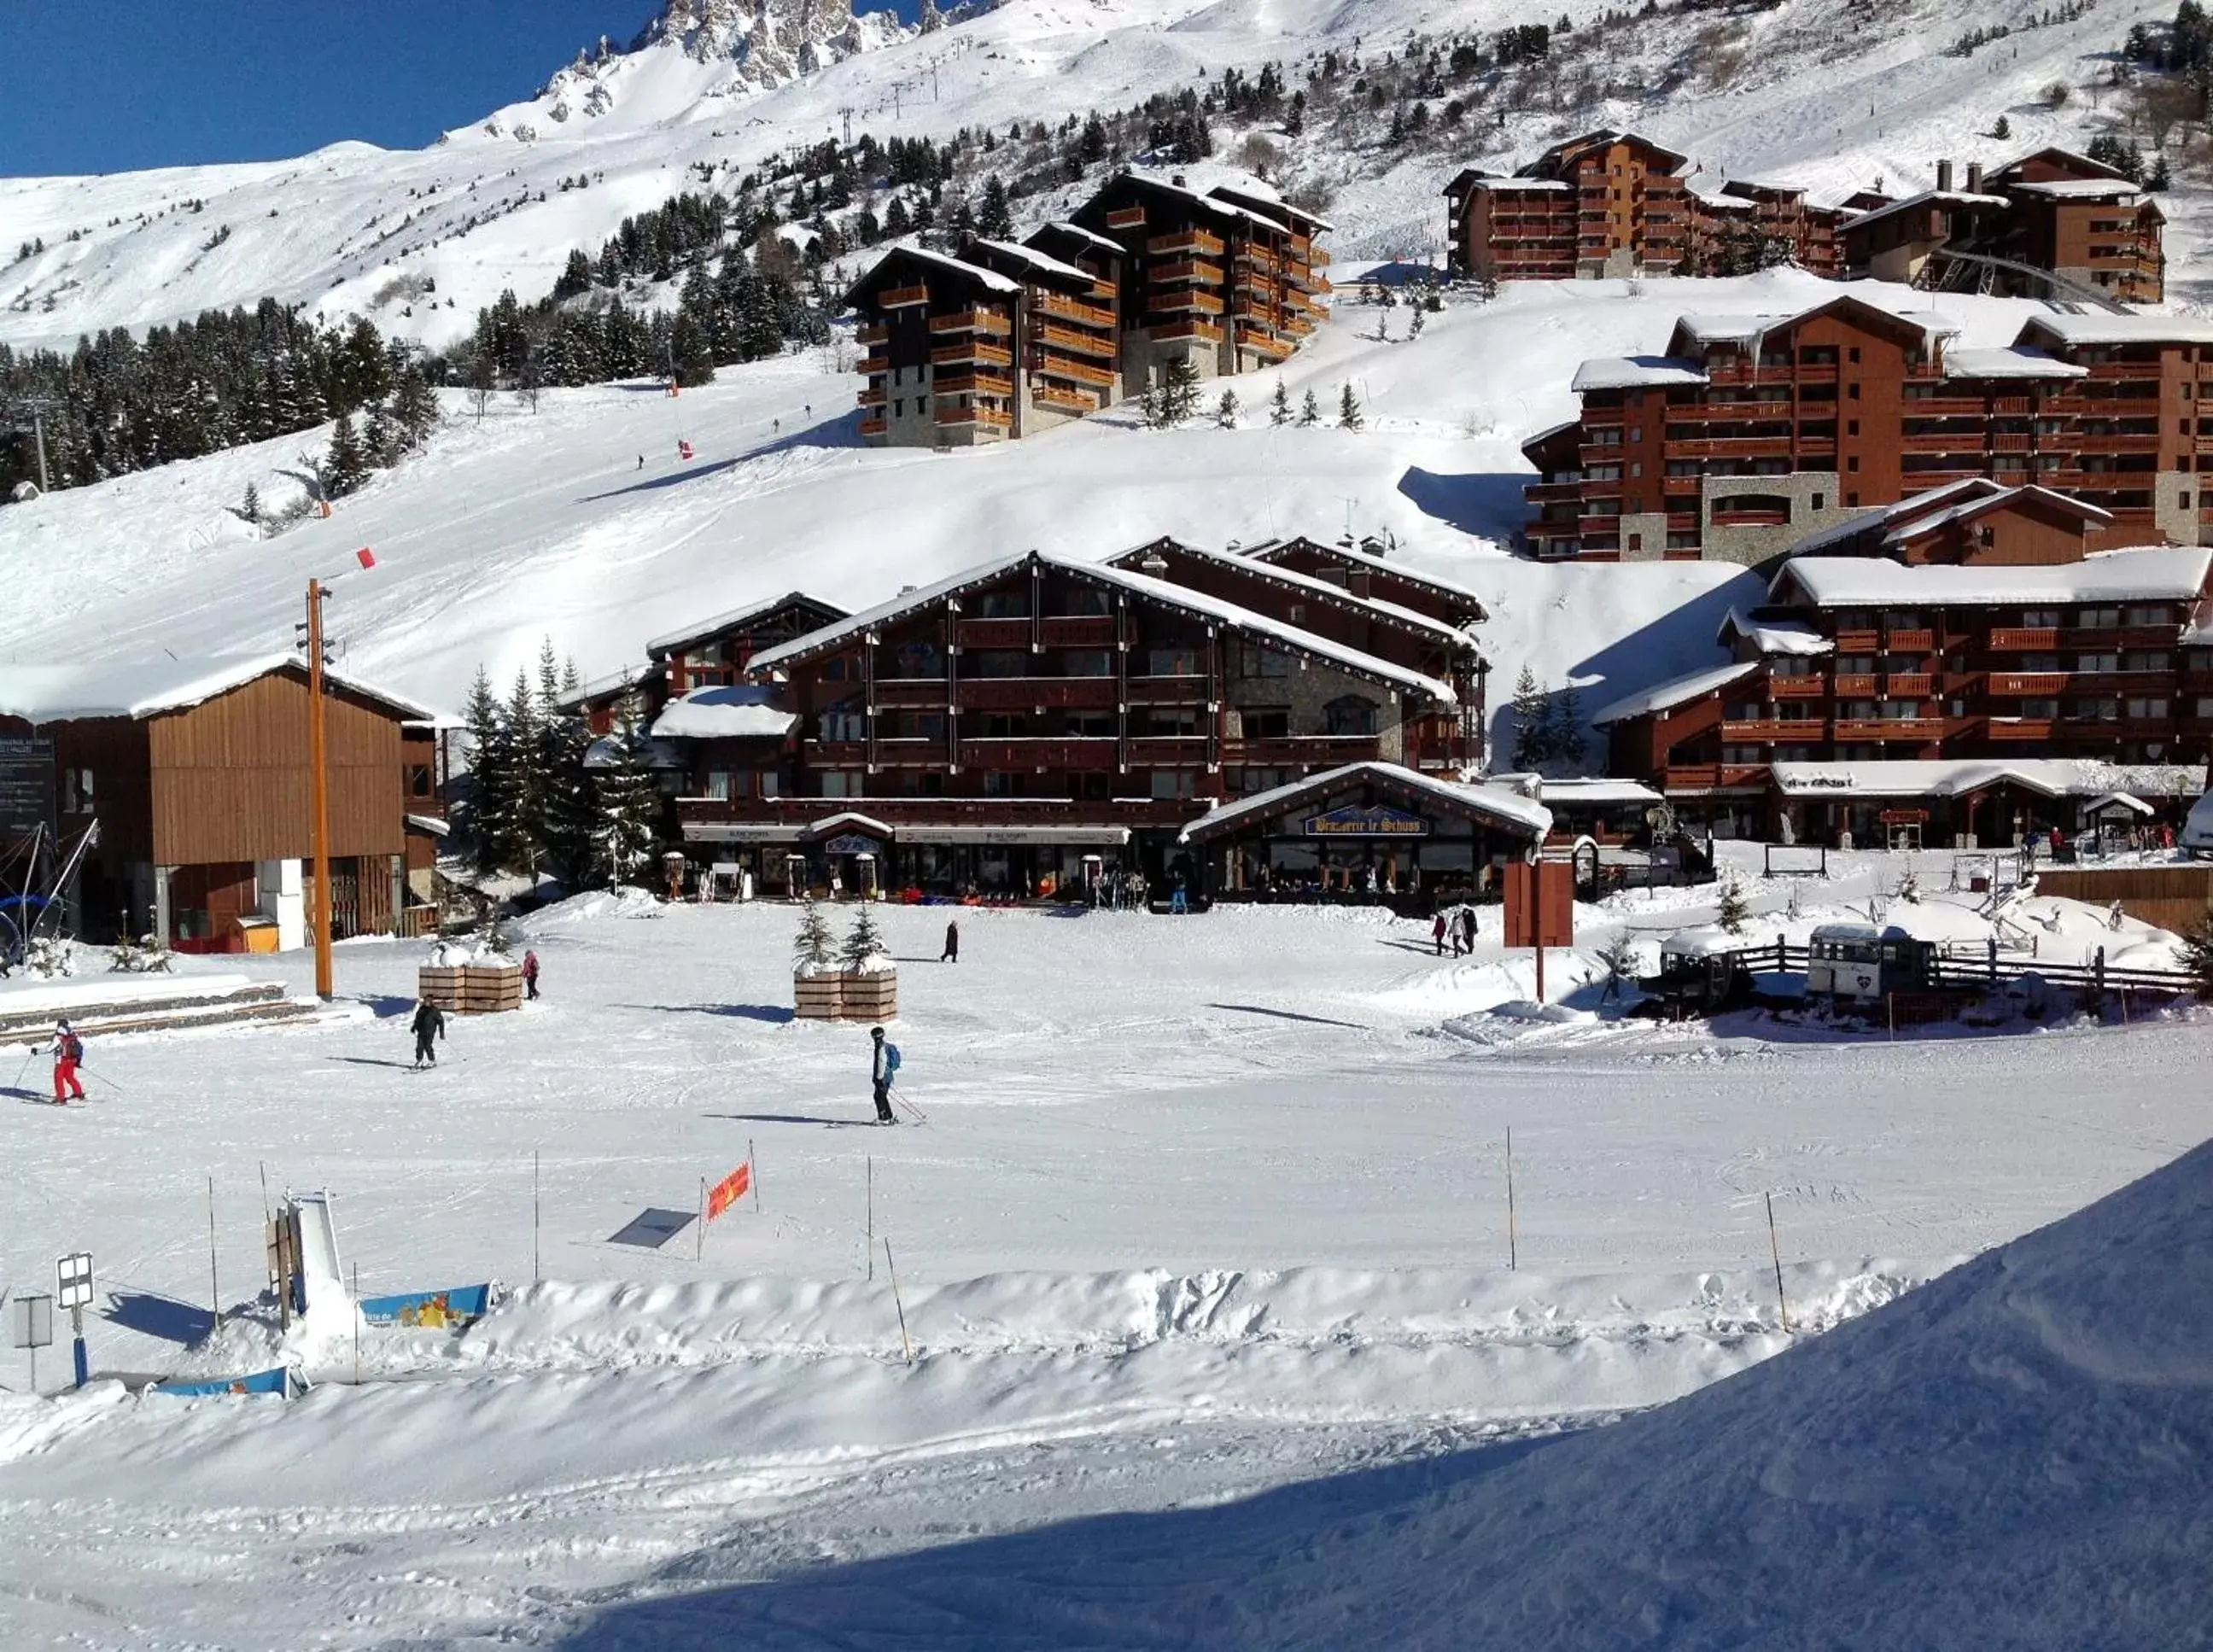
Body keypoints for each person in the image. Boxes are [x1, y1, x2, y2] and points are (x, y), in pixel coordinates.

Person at [50, 1019, 85, 1104]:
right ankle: (78, 1093)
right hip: (72, 1059)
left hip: (61, 1060)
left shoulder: (59, 1036)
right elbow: (79, 1047)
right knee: (70, 1077)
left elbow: (50, 1048)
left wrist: (37, 1051)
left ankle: (61, 1098)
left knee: (58, 1078)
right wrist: (78, 1060)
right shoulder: (72, 1034)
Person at [870, 1025, 897, 1124]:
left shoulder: (880, 1047)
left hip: (882, 1077)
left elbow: (881, 1061)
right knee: (881, 1096)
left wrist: (879, 1077)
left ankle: (884, 1118)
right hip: (887, 1076)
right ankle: (888, 1116)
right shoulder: (885, 1045)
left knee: (879, 1096)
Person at [411, 1000, 447, 1069]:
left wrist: (441, 1033)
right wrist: (414, 1027)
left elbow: (441, 1022)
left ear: (431, 1003)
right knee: (419, 1046)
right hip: (421, 1031)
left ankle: (432, 1060)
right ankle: (419, 1060)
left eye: (428, 1002)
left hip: (430, 1031)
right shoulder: (421, 1009)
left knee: (427, 1045)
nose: (426, 1003)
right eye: (425, 1002)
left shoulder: (434, 1011)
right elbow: (418, 1020)